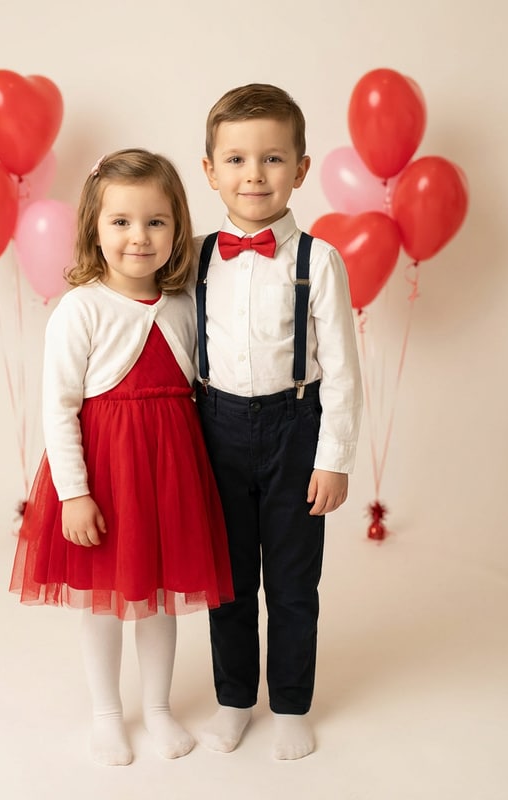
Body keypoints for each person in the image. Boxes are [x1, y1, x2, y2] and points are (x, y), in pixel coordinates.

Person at [10, 148, 234, 767]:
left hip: (170, 476)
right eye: (122, 222)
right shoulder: (80, 309)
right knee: (105, 603)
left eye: (156, 222)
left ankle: (157, 707)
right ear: (95, 228)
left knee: (161, 598)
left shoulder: (186, 303)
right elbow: (58, 408)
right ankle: (108, 713)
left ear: (177, 228)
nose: (139, 237)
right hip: (107, 476)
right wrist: (76, 493)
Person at [194, 84, 362, 760]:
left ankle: (291, 702)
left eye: (271, 159)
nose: (253, 175)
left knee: (293, 583)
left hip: (297, 429)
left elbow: (344, 369)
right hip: (215, 430)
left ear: (300, 167)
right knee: (228, 582)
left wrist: (335, 457)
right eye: (235, 160)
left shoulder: (319, 261)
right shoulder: (197, 255)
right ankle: (235, 697)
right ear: (209, 171)